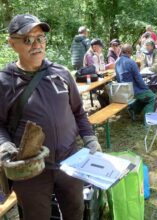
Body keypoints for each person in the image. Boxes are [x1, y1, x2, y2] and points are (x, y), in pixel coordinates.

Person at [0, 14, 101, 220]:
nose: (36, 44)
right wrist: (4, 146)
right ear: (12, 43)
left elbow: (78, 112)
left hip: (71, 160)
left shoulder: (61, 73)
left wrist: (90, 138)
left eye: (41, 38)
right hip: (30, 169)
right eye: (28, 39)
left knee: (76, 212)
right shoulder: (4, 81)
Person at [115, 44, 157, 119]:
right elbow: (139, 79)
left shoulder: (117, 62)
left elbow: (118, 78)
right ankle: (148, 120)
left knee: (145, 96)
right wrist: (146, 88)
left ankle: (133, 109)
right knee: (153, 97)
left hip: (123, 91)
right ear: (130, 52)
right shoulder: (131, 62)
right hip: (134, 91)